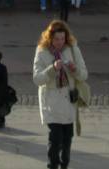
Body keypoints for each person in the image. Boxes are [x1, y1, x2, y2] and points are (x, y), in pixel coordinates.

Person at [33, 20, 88, 169]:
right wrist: (52, 69)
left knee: (67, 139)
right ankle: (52, 165)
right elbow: (37, 79)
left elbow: (83, 75)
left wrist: (74, 68)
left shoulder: (73, 49)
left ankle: (64, 165)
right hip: (51, 103)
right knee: (55, 139)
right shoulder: (42, 51)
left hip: (69, 101)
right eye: (56, 39)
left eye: (62, 39)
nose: (59, 42)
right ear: (50, 38)